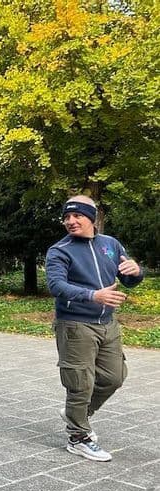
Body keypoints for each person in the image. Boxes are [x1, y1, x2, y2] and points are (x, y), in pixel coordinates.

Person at [45, 195, 143, 462]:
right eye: (66, 217)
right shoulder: (59, 250)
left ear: (91, 216)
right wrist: (93, 296)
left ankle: (77, 413)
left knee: (114, 377)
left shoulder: (110, 244)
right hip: (75, 324)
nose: (70, 221)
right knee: (80, 383)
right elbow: (55, 286)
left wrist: (136, 272)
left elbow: (128, 278)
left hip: (107, 323)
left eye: (77, 215)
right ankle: (78, 437)